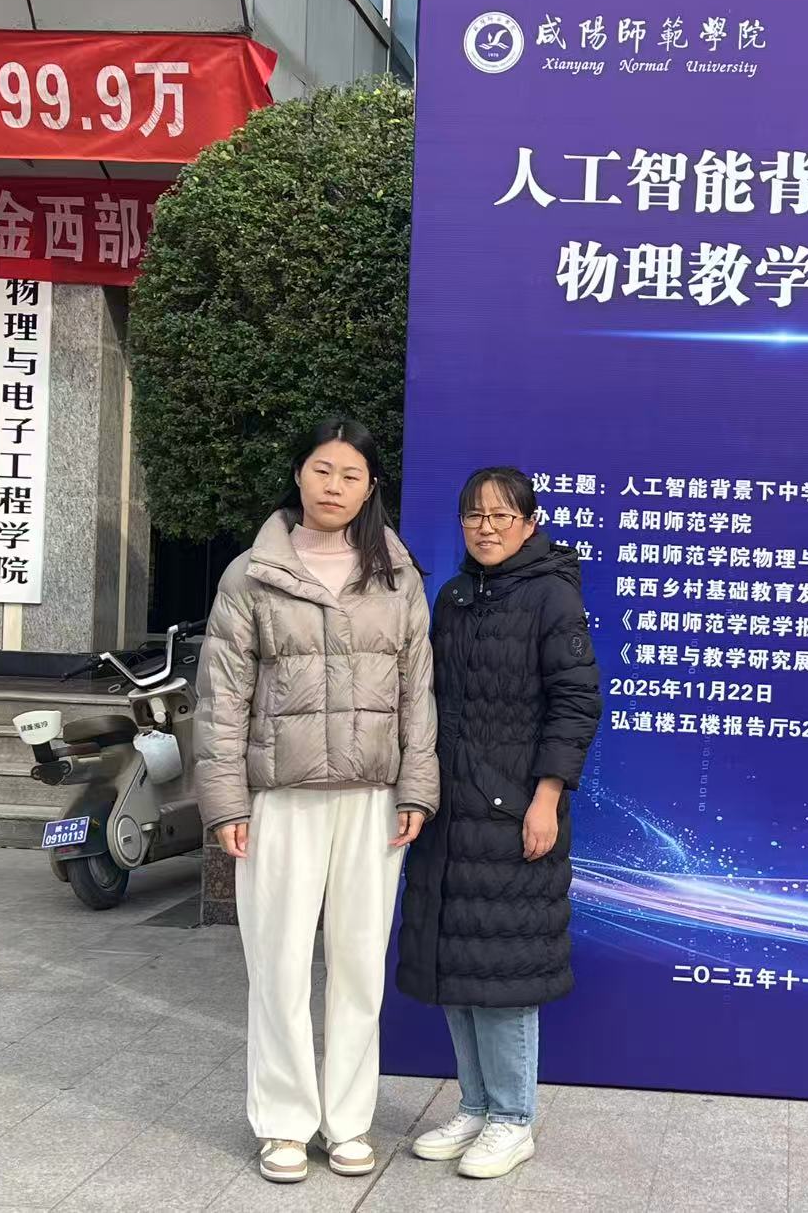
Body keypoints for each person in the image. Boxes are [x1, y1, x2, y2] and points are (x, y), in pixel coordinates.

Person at [192, 418, 438, 1185]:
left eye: (351, 474)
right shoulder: (251, 576)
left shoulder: (398, 576)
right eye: (322, 469)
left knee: (360, 965)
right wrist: (225, 802)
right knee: (278, 963)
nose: (335, 485)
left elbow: (418, 694)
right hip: (281, 796)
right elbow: (221, 699)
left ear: (371, 488)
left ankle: (350, 1121)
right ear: (298, 474)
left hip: (373, 798)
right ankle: (284, 1123)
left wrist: (418, 785)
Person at [397, 466, 602, 1180]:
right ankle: (476, 1105)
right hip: (452, 812)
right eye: (474, 516)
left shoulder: (552, 596)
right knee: (457, 967)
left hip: (516, 811)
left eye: (501, 516)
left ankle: (514, 1119)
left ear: (530, 523)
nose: (486, 528)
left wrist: (546, 798)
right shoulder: (455, 597)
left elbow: (575, 703)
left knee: (505, 972)